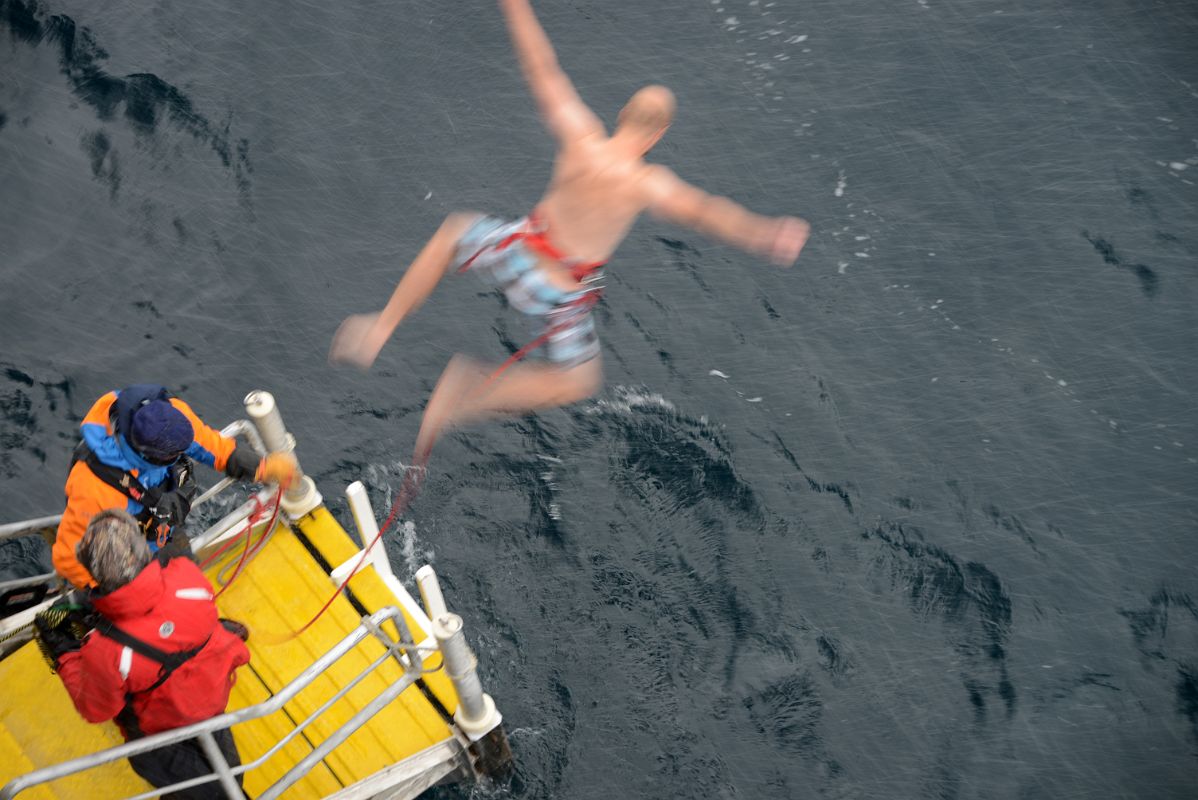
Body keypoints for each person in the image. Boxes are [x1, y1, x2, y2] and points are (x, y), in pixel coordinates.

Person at [329, 0, 810, 461]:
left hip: (515, 251)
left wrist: (515, 5)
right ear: (658, 136)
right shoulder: (649, 184)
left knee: (454, 231)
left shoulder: (581, 136)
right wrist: (766, 234)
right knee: (578, 381)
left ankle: (381, 327)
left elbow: (542, 67)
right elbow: (709, 212)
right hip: (559, 296)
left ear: (622, 114)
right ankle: (466, 397)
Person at [35, 509, 251, 799]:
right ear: (140, 550)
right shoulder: (188, 579)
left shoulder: (104, 649)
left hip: (156, 736)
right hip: (209, 700)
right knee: (231, 781)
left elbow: (96, 709)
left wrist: (64, 655)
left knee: (211, 793)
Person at [53, 384, 298, 589]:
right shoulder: (93, 489)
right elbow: (70, 561)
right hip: (127, 568)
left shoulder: (168, 414)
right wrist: (134, 583)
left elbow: (208, 444)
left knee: (190, 583)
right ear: (153, 456)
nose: (185, 453)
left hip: (162, 533)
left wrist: (263, 467)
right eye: (176, 454)